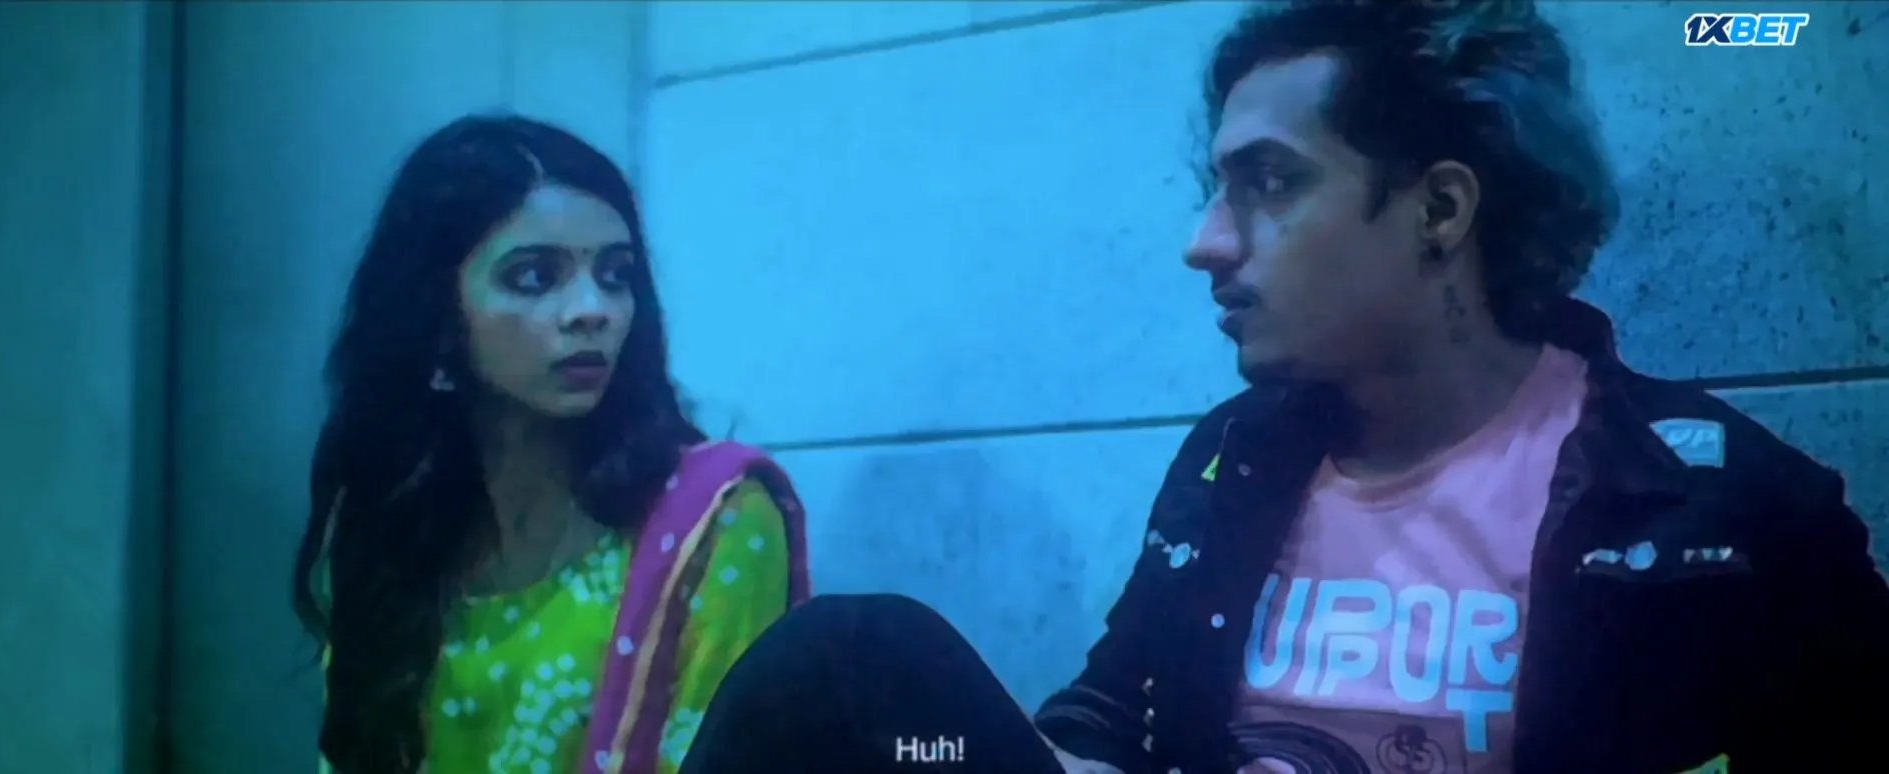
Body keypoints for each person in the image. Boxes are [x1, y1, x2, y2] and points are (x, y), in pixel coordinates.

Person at [675, 2, 1889, 773]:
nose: (1206, 242)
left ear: (1439, 208)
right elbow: (1114, 714)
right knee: (856, 668)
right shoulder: (1235, 458)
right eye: (1217, 189)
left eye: (1269, 184)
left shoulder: (1712, 509)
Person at [291, 115, 812, 774]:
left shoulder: (714, 520)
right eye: (536, 277)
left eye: (616, 275)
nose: (594, 310)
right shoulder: (398, 538)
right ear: (438, 321)